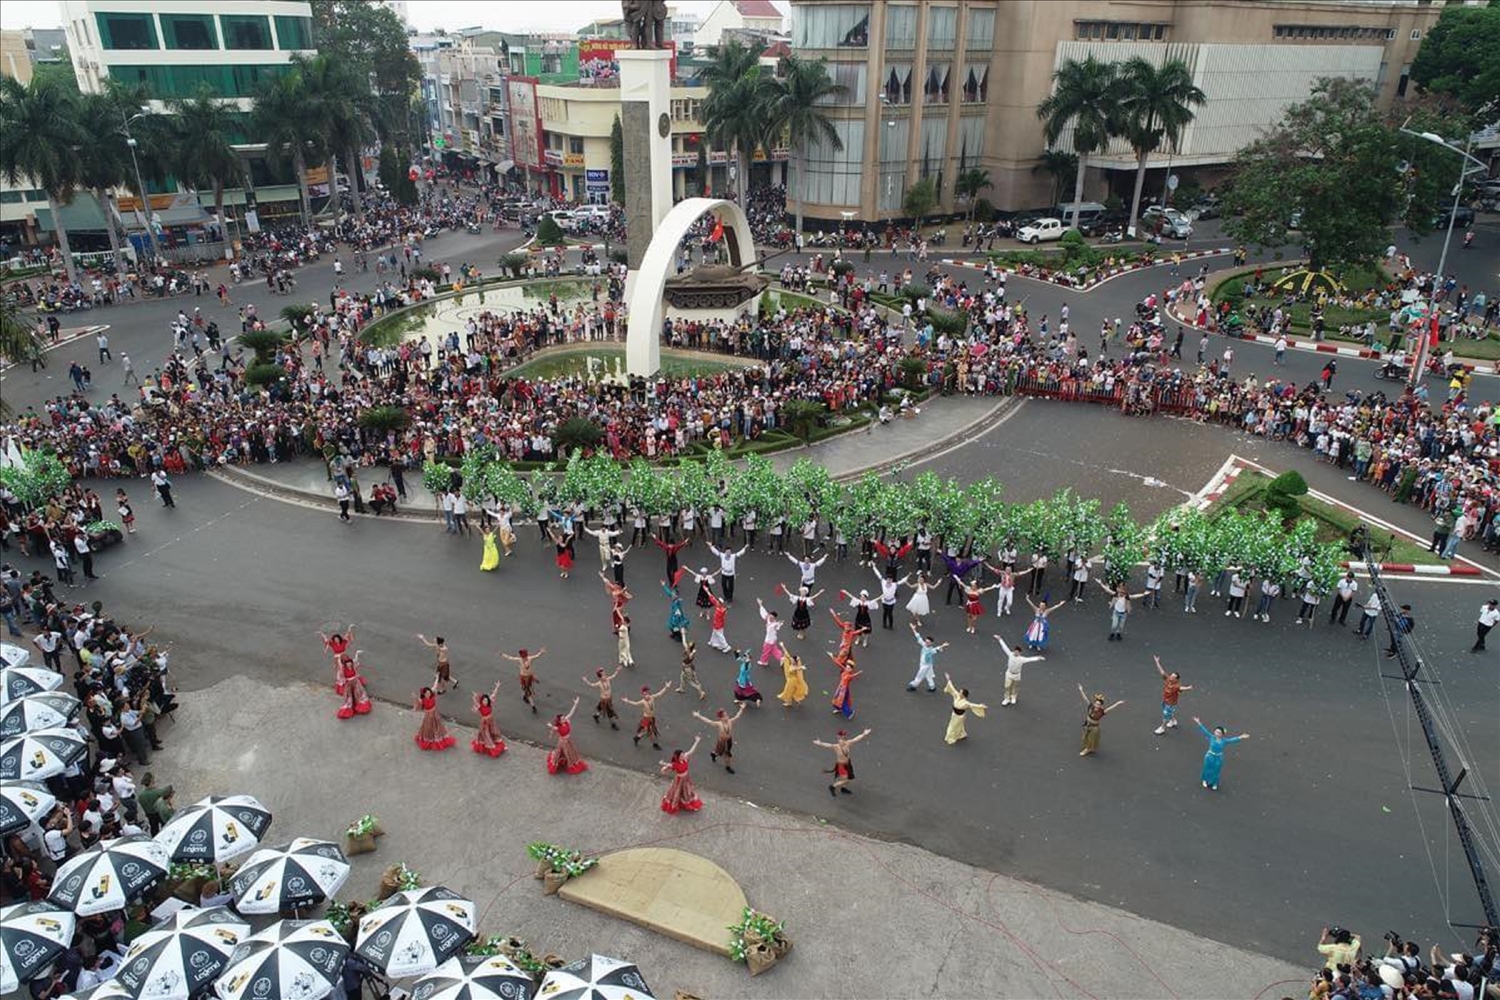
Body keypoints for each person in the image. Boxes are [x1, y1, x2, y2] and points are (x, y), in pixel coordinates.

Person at [1194, 717, 1249, 790]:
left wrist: (1241, 737)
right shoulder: (1211, 737)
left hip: (1218, 758)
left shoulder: (1224, 741)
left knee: (1216, 770)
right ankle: (1205, 780)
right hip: (1209, 756)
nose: (1216, 733)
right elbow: (1205, 731)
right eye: (1216, 731)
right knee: (1207, 768)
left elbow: (1232, 740)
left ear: (1222, 734)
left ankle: (1214, 783)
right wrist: (1199, 723)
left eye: (1219, 732)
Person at [815, 727, 872, 796]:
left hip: (847, 764)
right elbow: (828, 745)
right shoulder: (836, 747)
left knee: (847, 778)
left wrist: (864, 734)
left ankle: (843, 788)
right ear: (838, 738)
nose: (843, 739)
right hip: (841, 766)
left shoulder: (848, 743)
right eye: (841, 738)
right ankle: (832, 786)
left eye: (843, 737)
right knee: (845, 780)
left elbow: (856, 739)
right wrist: (820, 743)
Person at [694, 704, 746, 773]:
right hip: (722, 742)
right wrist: (699, 716)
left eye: (727, 715)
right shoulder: (719, 724)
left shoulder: (730, 721)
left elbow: (737, 716)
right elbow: (709, 721)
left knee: (721, 752)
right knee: (726, 755)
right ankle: (727, 767)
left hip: (729, 740)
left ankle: (714, 754)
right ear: (721, 718)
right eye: (725, 716)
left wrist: (741, 709)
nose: (727, 717)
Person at [994, 635, 1043, 706]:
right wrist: (1000, 639)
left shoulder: (1022, 659)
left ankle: (1013, 697)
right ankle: (1006, 699)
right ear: (1013, 651)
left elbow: (1030, 659)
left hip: (1017, 675)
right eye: (1015, 651)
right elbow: (1004, 647)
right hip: (1009, 674)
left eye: (1017, 652)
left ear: (1020, 653)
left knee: (1015, 687)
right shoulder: (1010, 654)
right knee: (1007, 687)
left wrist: (1038, 658)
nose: (1015, 653)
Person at [659, 737, 704, 814]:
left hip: (686, 778)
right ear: (678, 757)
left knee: (687, 791)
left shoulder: (685, 757)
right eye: (681, 755)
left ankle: (687, 803)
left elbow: (691, 751)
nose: (683, 755)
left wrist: (696, 741)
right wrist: (663, 764)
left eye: (683, 754)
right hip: (680, 780)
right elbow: (669, 765)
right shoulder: (675, 764)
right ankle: (677, 804)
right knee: (677, 792)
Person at [1078, 686, 1125, 757]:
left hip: (1094, 728)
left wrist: (1117, 704)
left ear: (1101, 705)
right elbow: (1085, 698)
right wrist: (1081, 690)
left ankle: (1087, 749)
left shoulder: (1102, 711)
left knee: (1091, 739)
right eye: (1096, 703)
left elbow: (1110, 708)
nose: (1097, 705)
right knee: (1085, 737)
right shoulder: (1091, 707)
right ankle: (1090, 748)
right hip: (1088, 725)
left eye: (1099, 704)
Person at [545, 698, 588, 774]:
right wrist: (550, 726)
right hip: (563, 742)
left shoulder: (567, 721)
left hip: (568, 741)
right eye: (562, 718)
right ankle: (566, 763)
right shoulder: (559, 727)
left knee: (570, 752)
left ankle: (567, 762)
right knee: (565, 752)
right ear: (560, 721)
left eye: (564, 717)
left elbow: (571, 713)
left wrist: (575, 704)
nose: (564, 718)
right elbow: (553, 727)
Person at [942, 673, 988, 745]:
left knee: (953, 727)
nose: (959, 693)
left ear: (963, 695)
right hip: (954, 714)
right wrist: (949, 679)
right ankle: (961, 734)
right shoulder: (957, 696)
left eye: (961, 693)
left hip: (959, 717)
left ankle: (951, 738)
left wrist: (981, 706)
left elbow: (972, 705)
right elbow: (952, 688)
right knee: (958, 726)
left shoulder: (965, 703)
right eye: (959, 692)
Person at [1152, 655, 1192, 736]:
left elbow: (1181, 688)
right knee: (1168, 713)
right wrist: (1157, 662)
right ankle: (1173, 721)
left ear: (1176, 679)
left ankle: (1162, 728)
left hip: (1170, 703)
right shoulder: (1168, 679)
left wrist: (1188, 688)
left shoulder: (1176, 685)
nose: (1171, 677)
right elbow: (1161, 671)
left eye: (1173, 677)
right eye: (1171, 675)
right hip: (1165, 701)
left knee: (1165, 715)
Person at [626, 682, 671, 750]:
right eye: (644, 694)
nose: (646, 695)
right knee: (651, 733)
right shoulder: (643, 702)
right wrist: (628, 701)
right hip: (646, 719)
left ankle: (637, 737)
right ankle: (655, 744)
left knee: (646, 732)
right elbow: (635, 703)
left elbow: (660, 694)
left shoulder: (652, 697)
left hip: (652, 718)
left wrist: (666, 687)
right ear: (642, 695)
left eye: (647, 693)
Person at [906, 623, 948, 692]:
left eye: (928, 642)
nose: (926, 643)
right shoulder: (924, 645)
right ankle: (932, 687)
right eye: (926, 641)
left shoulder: (931, 650)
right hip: (925, 664)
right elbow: (918, 637)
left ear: (931, 643)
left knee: (919, 676)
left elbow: (937, 649)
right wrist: (913, 629)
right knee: (928, 676)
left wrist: (943, 645)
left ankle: (913, 686)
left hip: (926, 665)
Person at [502, 647, 545, 713]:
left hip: (529, 677)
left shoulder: (529, 659)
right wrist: (504, 655)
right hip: (524, 678)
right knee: (528, 692)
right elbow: (511, 658)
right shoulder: (520, 660)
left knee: (527, 688)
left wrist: (540, 652)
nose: (525, 658)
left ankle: (525, 696)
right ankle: (533, 706)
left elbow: (536, 656)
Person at [413, 687, 455, 751]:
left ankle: (438, 738)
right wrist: (415, 698)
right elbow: (418, 704)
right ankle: (430, 739)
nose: (428, 694)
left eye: (429, 693)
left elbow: (435, 686)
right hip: (428, 716)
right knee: (428, 727)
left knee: (437, 726)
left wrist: (437, 678)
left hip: (435, 714)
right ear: (424, 694)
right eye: (427, 693)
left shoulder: (432, 695)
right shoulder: (423, 700)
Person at [471, 682, 506, 757]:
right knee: (486, 734)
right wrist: (475, 697)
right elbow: (475, 704)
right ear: (482, 701)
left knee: (495, 732)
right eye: (484, 701)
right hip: (484, 722)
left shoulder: (490, 702)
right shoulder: (480, 706)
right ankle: (492, 748)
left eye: (486, 701)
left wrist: (497, 687)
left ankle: (500, 744)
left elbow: (494, 694)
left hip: (491, 721)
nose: (485, 702)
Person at [335, 653, 373, 720]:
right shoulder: (343, 670)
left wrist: (357, 654)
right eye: (348, 663)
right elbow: (340, 670)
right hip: (349, 684)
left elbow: (356, 660)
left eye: (350, 663)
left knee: (359, 695)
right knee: (349, 697)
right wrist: (338, 658)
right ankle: (348, 709)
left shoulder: (354, 667)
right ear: (345, 664)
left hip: (356, 683)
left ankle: (360, 706)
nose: (349, 664)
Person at [755, 598, 785, 666]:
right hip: (772, 639)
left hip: (769, 640)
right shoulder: (769, 619)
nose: (770, 618)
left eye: (772, 617)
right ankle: (781, 658)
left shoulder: (774, 624)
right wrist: (760, 604)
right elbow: (764, 613)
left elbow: (777, 626)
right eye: (770, 616)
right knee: (774, 650)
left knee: (766, 650)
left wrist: (779, 623)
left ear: (774, 618)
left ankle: (764, 661)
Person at [663, 578, 691, 644]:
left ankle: (679, 637)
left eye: (674, 594)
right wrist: (664, 585)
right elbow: (668, 593)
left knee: (676, 626)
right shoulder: (674, 598)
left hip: (677, 616)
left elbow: (678, 610)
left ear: (677, 596)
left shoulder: (677, 602)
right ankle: (674, 634)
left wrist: (677, 615)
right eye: (672, 594)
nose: (672, 595)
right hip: (674, 614)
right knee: (671, 625)